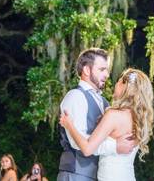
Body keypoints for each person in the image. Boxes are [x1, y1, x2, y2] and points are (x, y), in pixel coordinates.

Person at [60, 68, 154, 181]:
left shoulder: (114, 115)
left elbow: (87, 149)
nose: (116, 85)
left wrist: (69, 125)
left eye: (119, 81)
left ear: (126, 87)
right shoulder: (139, 119)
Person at [57, 48, 137, 181]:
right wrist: (115, 146)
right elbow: (78, 143)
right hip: (77, 174)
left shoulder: (105, 103)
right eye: (101, 69)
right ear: (87, 70)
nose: (106, 74)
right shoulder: (76, 96)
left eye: (107, 70)